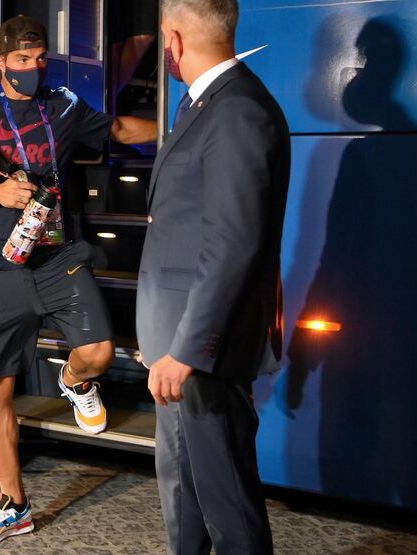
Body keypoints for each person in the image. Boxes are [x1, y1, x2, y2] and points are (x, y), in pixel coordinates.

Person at [0, 15, 156, 546]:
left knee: (98, 352)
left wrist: (179, 126)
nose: (33, 68)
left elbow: (118, 130)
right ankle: (14, 503)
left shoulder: (64, 106)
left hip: (56, 257)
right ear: (1, 61)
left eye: (40, 58)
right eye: (22, 60)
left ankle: (74, 383)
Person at [136, 1, 290, 553]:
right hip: (178, 342)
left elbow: (232, 243)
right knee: (184, 487)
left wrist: (189, 348)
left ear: (173, 40)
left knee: (227, 504)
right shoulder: (208, 106)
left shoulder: (237, 111)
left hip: (204, 351)